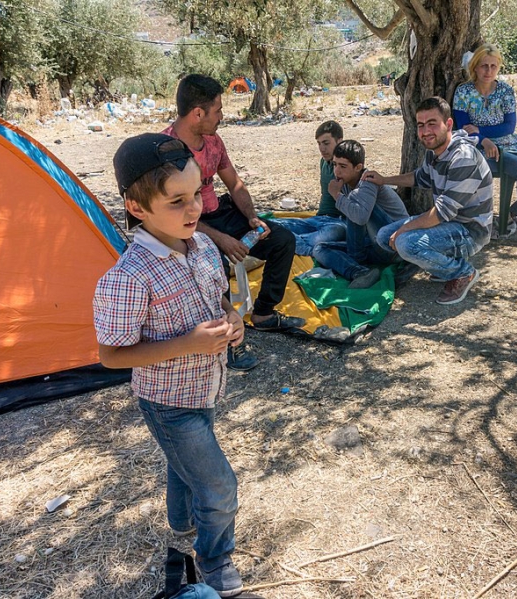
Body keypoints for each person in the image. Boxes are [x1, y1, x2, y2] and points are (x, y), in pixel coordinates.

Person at [93, 133, 246, 597]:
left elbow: (218, 298)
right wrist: (189, 343)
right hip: (167, 403)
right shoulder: (128, 277)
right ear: (137, 208)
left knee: (186, 467)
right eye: (176, 201)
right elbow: (111, 355)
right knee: (219, 487)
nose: (194, 208)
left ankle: (180, 524)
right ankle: (214, 559)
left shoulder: (200, 246)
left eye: (197, 192)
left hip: (205, 391)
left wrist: (232, 317)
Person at [162, 74, 305, 371]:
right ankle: (226, 343)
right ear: (197, 113)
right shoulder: (166, 151)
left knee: (281, 240)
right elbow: (172, 215)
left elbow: (235, 185)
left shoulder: (213, 141)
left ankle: (264, 315)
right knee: (214, 264)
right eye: (217, 110)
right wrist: (221, 240)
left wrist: (252, 217)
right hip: (187, 225)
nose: (222, 117)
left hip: (219, 213)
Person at [364, 97, 493, 305]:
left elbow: (442, 212)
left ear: (448, 124)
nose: (425, 132)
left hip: (470, 231)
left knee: (404, 242)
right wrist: (384, 180)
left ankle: (463, 272)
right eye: (421, 125)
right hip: (449, 224)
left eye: (432, 123)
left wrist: (404, 231)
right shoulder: (435, 153)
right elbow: (418, 177)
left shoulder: (463, 157)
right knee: (383, 236)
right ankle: (443, 265)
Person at [452, 43, 517, 246]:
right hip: (479, 150)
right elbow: (463, 128)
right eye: (484, 66)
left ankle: (511, 213)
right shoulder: (464, 92)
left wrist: (482, 131)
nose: (488, 71)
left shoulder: (505, 91)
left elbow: (509, 127)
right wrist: (482, 140)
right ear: (475, 67)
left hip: (509, 144)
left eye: (493, 66)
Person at [312, 140, 409, 288]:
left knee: (356, 205)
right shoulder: (343, 182)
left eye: (343, 166)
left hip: (393, 244)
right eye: (335, 164)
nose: (337, 171)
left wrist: (336, 195)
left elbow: (360, 217)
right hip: (371, 244)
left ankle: (357, 261)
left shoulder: (368, 181)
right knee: (320, 248)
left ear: (358, 167)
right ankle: (359, 272)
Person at [275, 120, 347, 255]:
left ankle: (296, 245)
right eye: (319, 144)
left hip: (337, 223)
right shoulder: (324, 162)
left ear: (339, 141)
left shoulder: (346, 166)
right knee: (271, 225)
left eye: (326, 143)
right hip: (318, 219)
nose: (322, 148)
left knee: (321, 236)